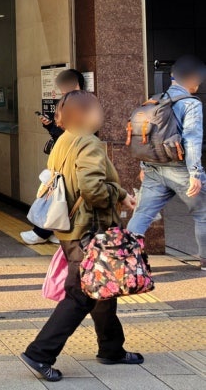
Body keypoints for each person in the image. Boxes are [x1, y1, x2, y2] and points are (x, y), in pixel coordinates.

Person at [21, 91, 142, 382]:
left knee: (103, 287)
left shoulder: (64, 140)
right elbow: (93, 189)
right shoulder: (89, 142)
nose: (102, 114)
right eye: (98, 109)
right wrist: (119, 194)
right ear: (85, 114)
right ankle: (40, 352)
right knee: (82, 294)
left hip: (70, 228)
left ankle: (111, 348)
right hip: (88, 229)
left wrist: (119, 195)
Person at [127, 54, 206, 271]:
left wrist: (144, 167)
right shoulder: (190, 104)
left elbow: (147, 137)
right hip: (180, 169)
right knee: (203, 213)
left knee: (142, 214)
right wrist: (195, 174)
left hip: (153, 168)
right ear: (191, 78)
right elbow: (191, 139)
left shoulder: (154, 100)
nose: (199, 84)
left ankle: (126, 259)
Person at [21, 69, 86, 246]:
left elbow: (71, 134)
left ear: (77, 84)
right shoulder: (70, 103)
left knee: (58, 194)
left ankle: (41, 232)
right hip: (65, 156)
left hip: (72, 157)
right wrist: (50, 127)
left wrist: (54, 128)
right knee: (60, 195)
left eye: (65, 86)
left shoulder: (80, 104)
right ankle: (55, 232)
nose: (62, 90)